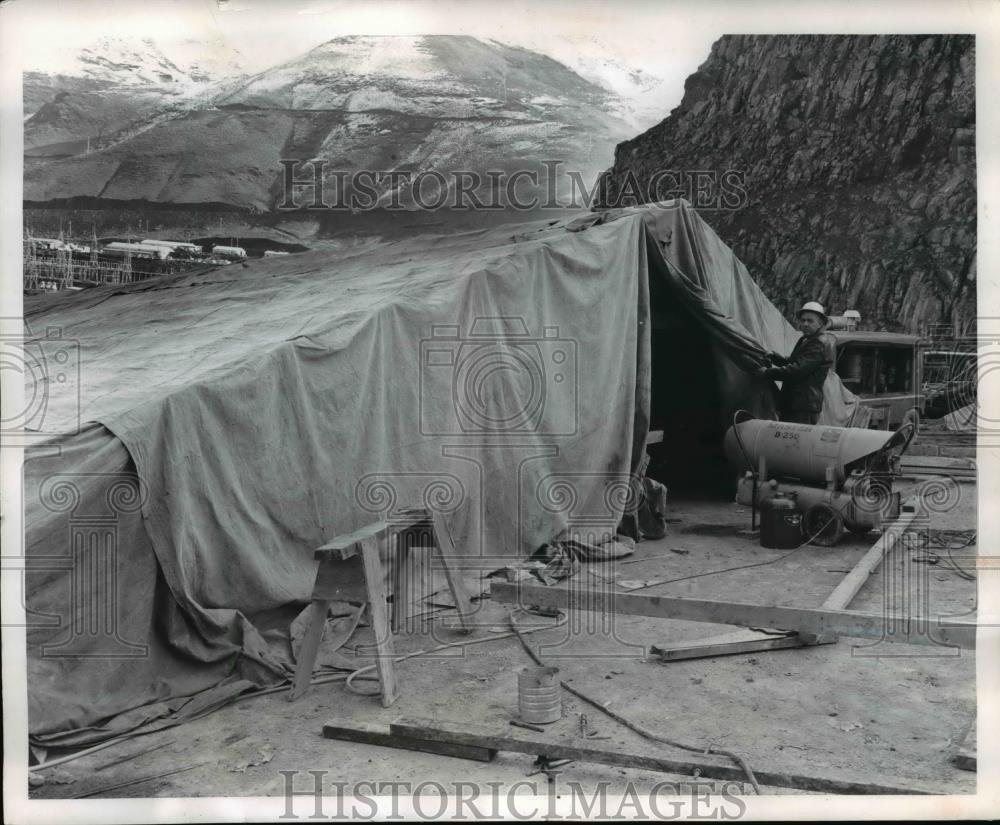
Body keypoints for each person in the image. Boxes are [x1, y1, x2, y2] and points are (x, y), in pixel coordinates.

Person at [755, 301, 833, 425]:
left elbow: (797, 370)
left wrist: (767, 373)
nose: (805, 324)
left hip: (803, 406)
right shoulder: (806, 339)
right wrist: (774, 356)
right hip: (796, 403)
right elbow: (794, 362)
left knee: (797, 442)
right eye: (803, 320)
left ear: (821, 323)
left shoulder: (818, 343)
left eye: (810, 321)